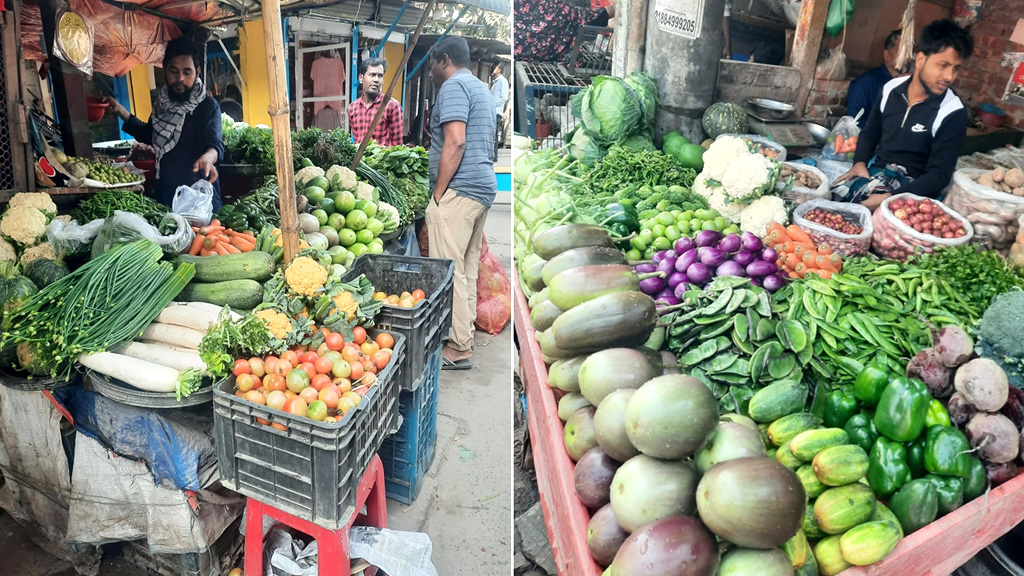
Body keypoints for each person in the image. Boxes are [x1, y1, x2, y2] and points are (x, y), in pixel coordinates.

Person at [834, 19, 973, 211]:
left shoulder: (952, 111)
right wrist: (859, 163)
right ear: (921, 60)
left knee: (861, 218)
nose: (950, 76)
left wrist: (889, 199)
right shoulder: (890, 89)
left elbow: (939, 175)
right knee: (833, 196)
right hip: (878, 172)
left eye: (955, 68)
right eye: (943, 65)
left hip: (915, 189)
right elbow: (870, 132)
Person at [425, 37, 496, 371]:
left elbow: (455, 141)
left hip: (459, 191)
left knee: (448, 272)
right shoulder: (481, 88)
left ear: (444, 60)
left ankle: (457, 347)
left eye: (431, 66)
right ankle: (462, 339)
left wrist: (438, 194)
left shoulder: (453, 88)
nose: (430, 73)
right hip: (482, 188)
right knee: (465, 270)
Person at [104, 36, 224, 211]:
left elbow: (215, 143)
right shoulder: (162, 105)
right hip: (167, 197)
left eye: (187, 72)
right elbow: (150, 135)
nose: (180, 78)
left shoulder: (207, 106)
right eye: (174, 71)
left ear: (197, 72)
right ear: (165, 70)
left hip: (198, 202)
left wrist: (208, 157)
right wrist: (121, 111)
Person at [514, 0, 615, 63]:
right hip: (549, 59)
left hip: (522, 56)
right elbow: (578, 16)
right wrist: (611, 9)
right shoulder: (549, 7)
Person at [846, 30, 903, 128]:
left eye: (910, 52)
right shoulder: (865, 83)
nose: (906, 57)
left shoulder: (910, 86)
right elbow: (853, 123)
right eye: (901, 51)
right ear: (886, 55)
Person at [347, 57, 404, 147]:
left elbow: (397, 146)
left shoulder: (392, 106)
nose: (376, 80)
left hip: (382, 160)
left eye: (380, 76)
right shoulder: (352, 108)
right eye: (372, 75)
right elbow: (356, 140)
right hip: (361, 160)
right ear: (361, 78)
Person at [490, 62, 509, 162]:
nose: (493, 69)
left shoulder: (502, 81)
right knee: (492, 134)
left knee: (494, 135)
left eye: (495, 67)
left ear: (500, 69)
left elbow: (504, 97)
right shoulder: (496, 81)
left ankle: (494, 157)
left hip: (496, 111)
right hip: (493, 111)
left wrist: (492, 104)